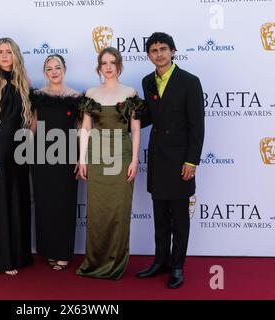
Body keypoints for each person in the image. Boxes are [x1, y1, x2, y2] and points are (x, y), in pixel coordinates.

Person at [135, 32, 205, 289]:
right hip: (157, 157)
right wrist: (119, 120)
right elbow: (154, 116)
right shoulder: (147, 81)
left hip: (180, 162)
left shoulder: (189, 81)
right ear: (149, 55)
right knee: (160, 216)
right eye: (154, 50)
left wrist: (191, 162)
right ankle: (160, 261)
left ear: (173, 51)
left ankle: (177, 266)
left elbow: (197, 126)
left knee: (179, 218)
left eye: (163, 49)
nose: (159, 54)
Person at [77, 47, 143, 280]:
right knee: (97, 212)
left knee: (119, 210)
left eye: (112, 62)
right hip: (96, 156)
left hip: (122, 155)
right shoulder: (91, 93)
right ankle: (94, 262)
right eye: (103, 62)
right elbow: (85, 128)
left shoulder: (130, 92)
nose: (108, 66)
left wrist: (135, 159)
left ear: (119, 65)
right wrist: (82, 158)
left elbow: (135, 129)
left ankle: (115, 263)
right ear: (99, 66)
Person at [0, 38, 34, 276]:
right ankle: (3, 258)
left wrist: (28, 141)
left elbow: (32, 119)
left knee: (19, 199)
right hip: (0, 149)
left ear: (15, 56)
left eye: (9, 52)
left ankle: (20, 255)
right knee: (2, 201)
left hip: (20, 150)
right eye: (0, 52)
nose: (4, 56)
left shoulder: (25, 82)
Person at [30, 54, 81, 271]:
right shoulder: (38, 96)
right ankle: (49, 250)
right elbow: (32, 127)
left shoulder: (77, 97)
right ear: (45, 72)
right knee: (44, 204)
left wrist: (81, 157)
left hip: (67, 157)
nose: (54, 71)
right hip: (41, 157)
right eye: (49, 68)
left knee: (65, 204)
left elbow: (80, 129)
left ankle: (63, 253)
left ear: (64, 69)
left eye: (57, 67)